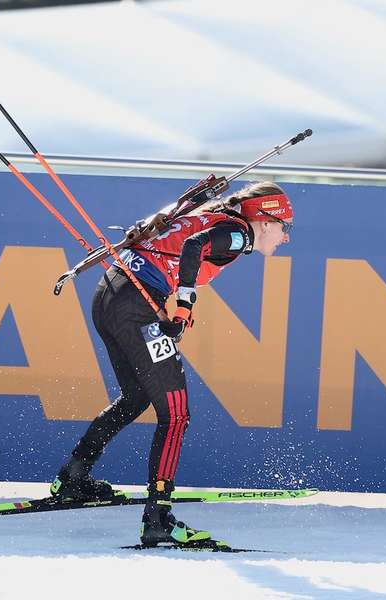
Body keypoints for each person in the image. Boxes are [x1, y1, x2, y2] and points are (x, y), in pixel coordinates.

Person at [50, 180, 294, 546]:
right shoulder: (239, 233)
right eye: (284, 227)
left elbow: (166, 227)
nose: (285, 237)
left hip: (110, 293)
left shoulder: (205, 213)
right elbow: (196, 247)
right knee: (176, 414)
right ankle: (159, 517)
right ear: (264, 220)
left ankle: (73, 476)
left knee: (136, 396)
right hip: (135, 306)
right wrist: (184, 305)